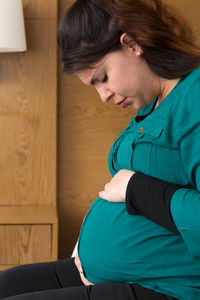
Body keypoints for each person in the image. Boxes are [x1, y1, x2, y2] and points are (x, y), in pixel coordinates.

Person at [0, 0, 200, 299]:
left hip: (162, 287)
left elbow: (140, 190)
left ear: (131, 44)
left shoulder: (194, 98)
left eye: (102, 78)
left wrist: (136, 188)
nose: (103, 96)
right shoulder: (151, 106)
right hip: (89, 269)